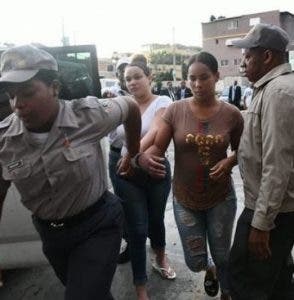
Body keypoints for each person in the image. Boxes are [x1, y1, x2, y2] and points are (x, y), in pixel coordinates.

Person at [0, 44, 141, 300]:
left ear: (54, 87)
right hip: (52, 236)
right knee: (89, 292)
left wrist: (132, 152)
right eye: (11, 96)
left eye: (27, 92)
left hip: (98, 223)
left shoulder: (88, 115)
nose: (17, 104)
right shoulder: (5, 141)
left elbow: (130, 107)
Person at [138, 52, 244, 300]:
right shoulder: (175, 110)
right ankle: (210, 269)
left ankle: (227, 293)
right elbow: (158, 148)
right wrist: (139, 158)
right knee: (194, 261)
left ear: (217, 76)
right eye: (191, 78)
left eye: (204, 77)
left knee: (223, 254)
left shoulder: (232, 114)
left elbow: (242, 151)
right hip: (185, 199)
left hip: (221, 197)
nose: (197, 84)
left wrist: (229, 162)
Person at [228, 23, 294, 300]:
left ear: (267, 56)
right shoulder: (269, 88)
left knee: (246, 280)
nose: (242, 62)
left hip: (271, 211)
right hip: (272, 207)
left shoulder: (278, 92)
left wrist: (261, 224)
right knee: (276, 278)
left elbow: (277, 163)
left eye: (247, 55)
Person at [115, 54, 175, 300]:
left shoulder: (163, 101)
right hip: (124, 172)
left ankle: (160, 257)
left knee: (156, 219)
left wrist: (131, 154)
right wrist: (129, 160)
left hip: (155, 166)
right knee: (137, 229)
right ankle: (140, 285)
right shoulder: (121, 104)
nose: (132, 82)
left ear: (150, 77)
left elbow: (158, 130)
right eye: (128, 79)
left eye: (137, 77)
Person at [108, 56, 132, 264]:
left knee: (139, 202)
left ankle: (144, 238)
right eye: (120, 72)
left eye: (127, 71)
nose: (125, 77)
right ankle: (130, 241)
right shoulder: (111, 94)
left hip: (137, 154)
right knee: (121, 200)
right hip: (115, 153)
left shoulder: (139, 91)